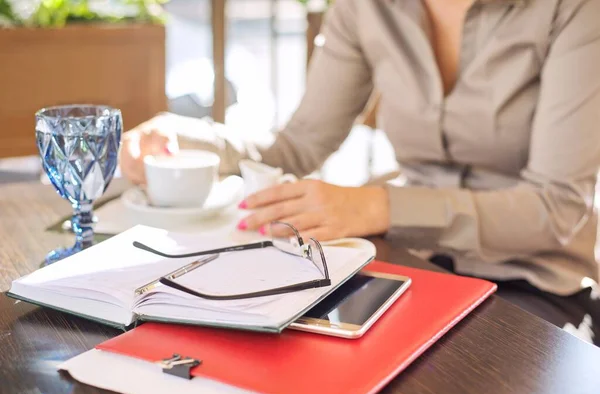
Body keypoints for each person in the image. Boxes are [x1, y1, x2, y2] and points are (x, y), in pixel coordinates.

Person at [120, 0, 600, 344]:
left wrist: (379, 206)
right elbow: (298, 144)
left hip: (536, 281)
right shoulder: (365, 8)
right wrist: (188, 137)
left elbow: (557, 208)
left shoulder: (574, 10)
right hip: (412, 264)